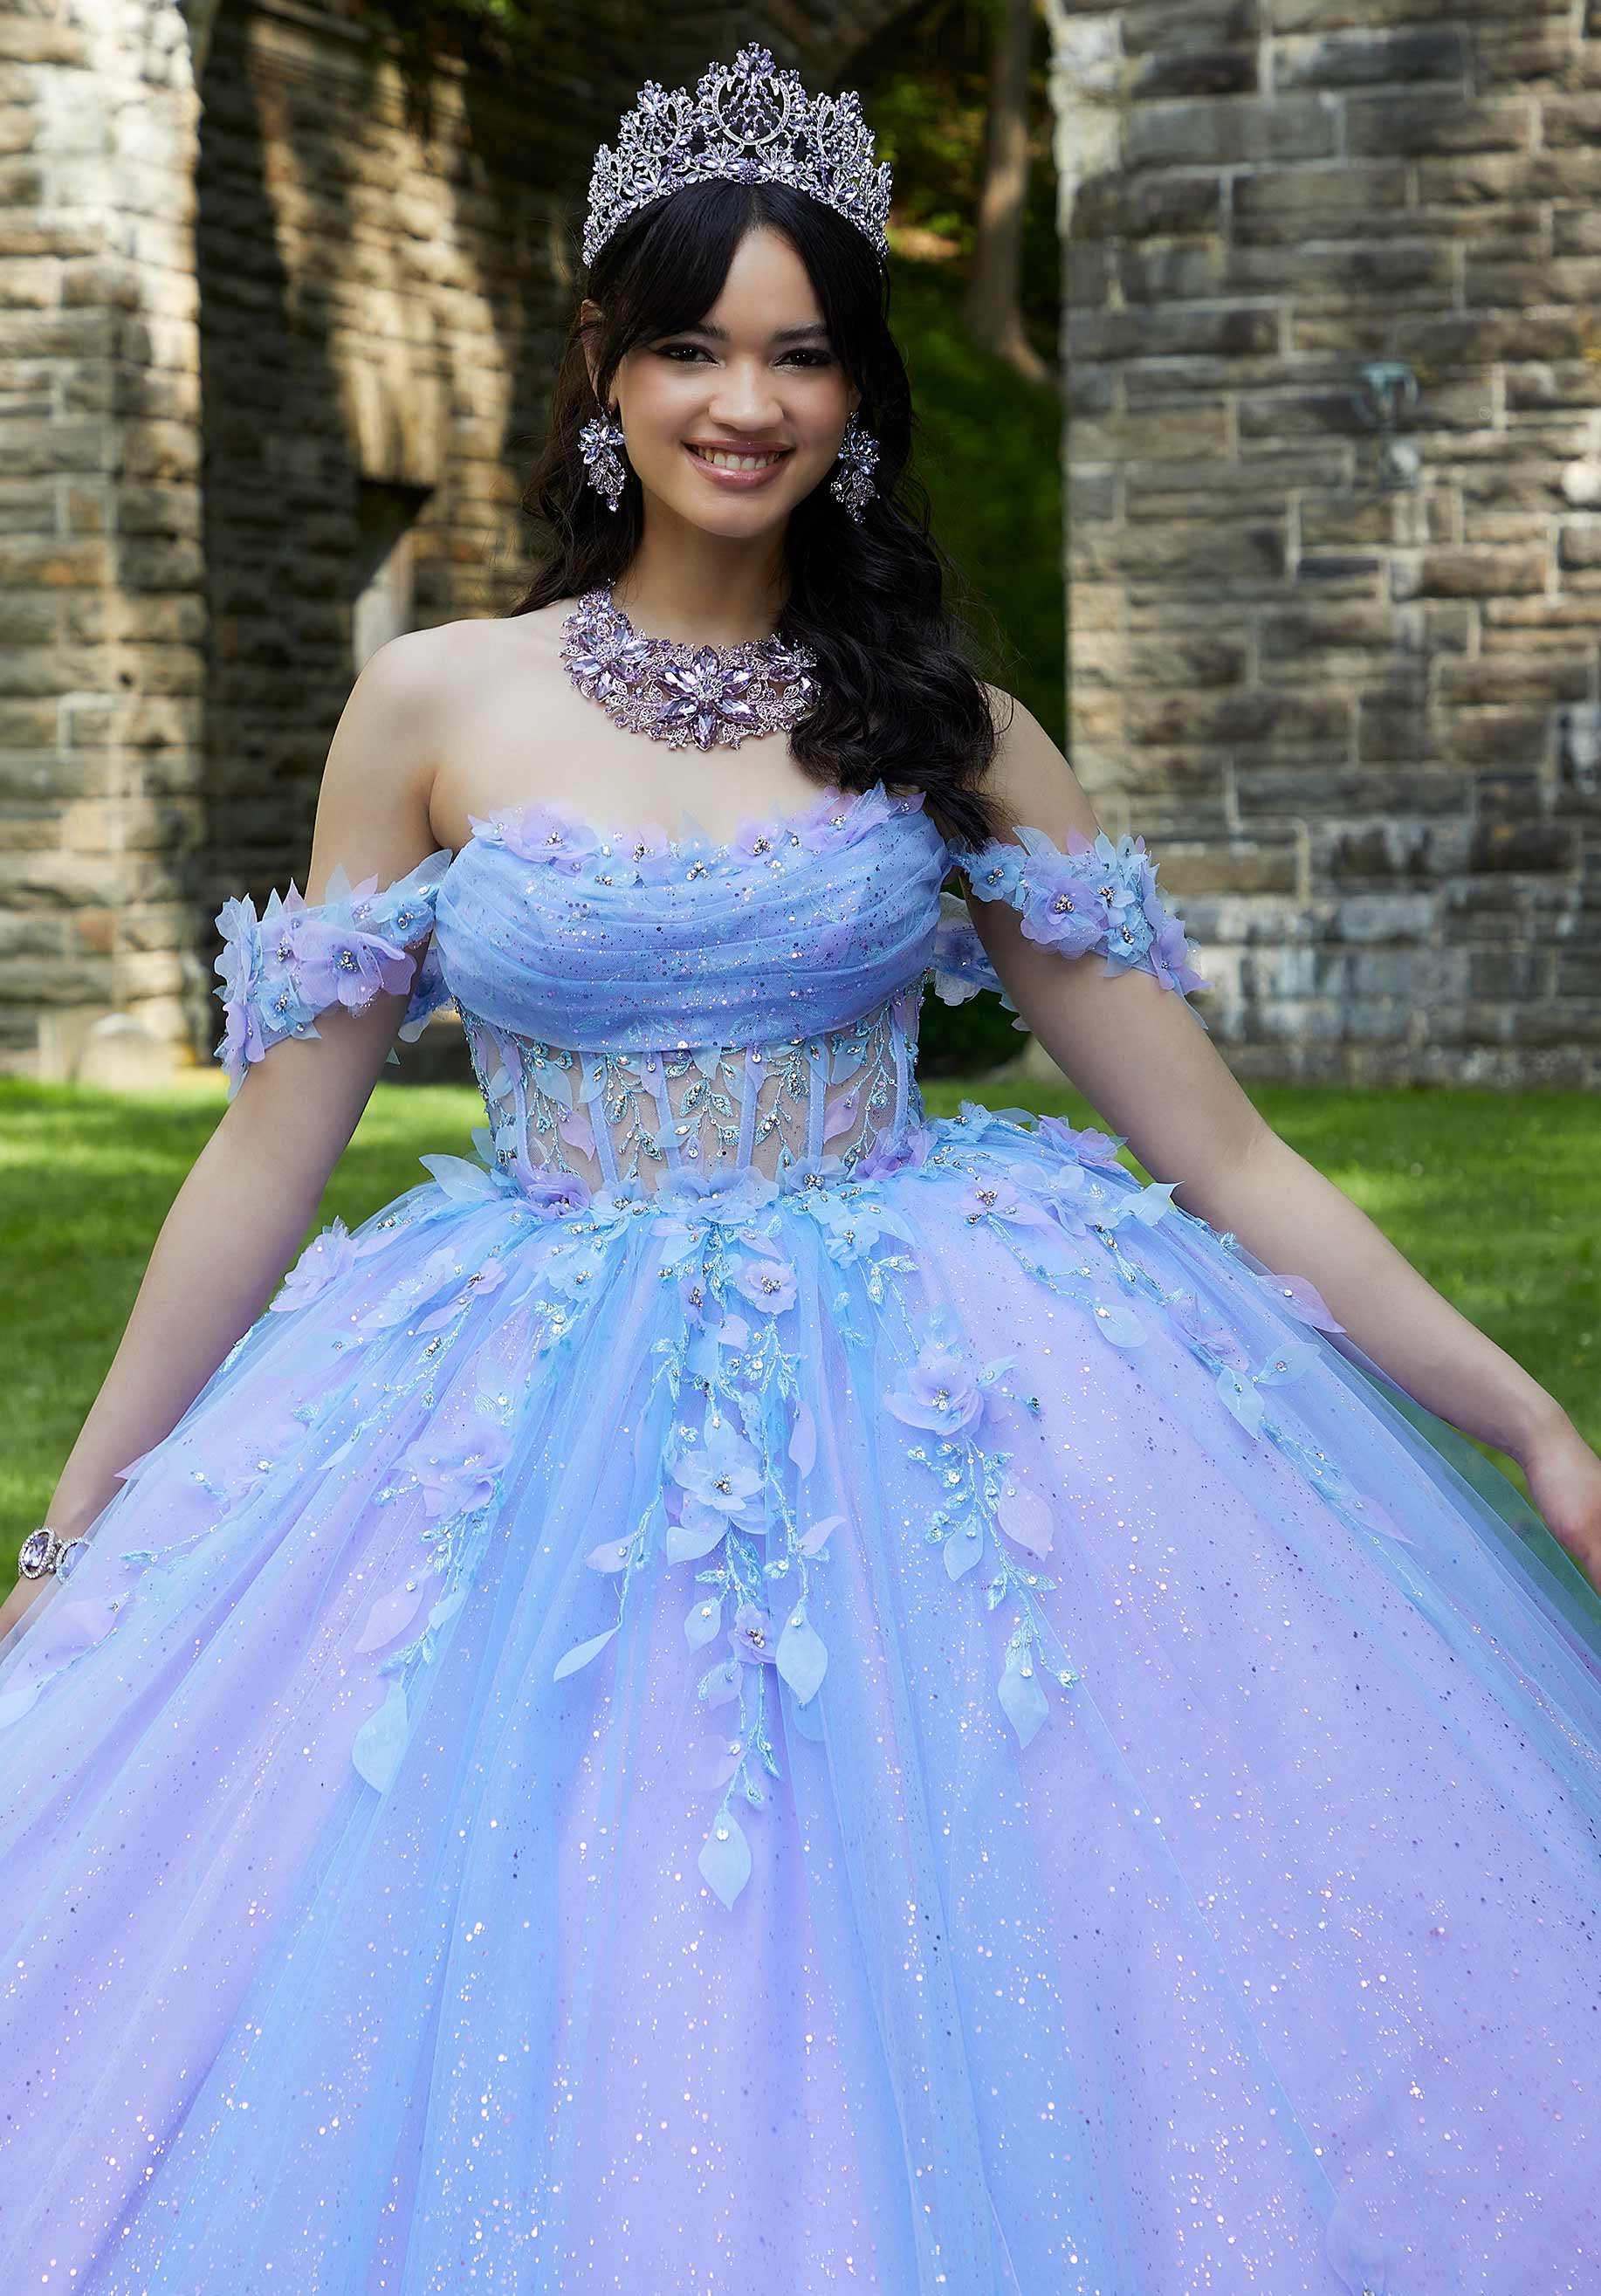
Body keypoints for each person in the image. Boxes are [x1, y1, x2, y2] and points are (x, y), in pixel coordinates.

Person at [2, 41, 1598, 2296]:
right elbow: (270, 1157)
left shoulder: (950, 728)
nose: (739, 403)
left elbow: (1220, 1151)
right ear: (604, 369)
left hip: (931, 1380)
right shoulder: (436, 702)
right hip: (512, 1387)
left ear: (854, 394)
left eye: (799, 352)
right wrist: (83, 1527)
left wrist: (1520, 1414)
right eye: (688, 346)